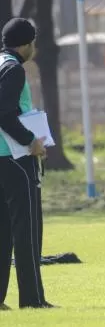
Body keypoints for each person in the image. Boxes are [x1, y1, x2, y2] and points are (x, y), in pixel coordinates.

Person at [0, 18, 53, 309]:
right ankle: (32, 300)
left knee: (4, 231)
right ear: (27, 43)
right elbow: (4, 112)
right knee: (27, 230)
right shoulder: (14, 69)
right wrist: (31, 140)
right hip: (16, 158)